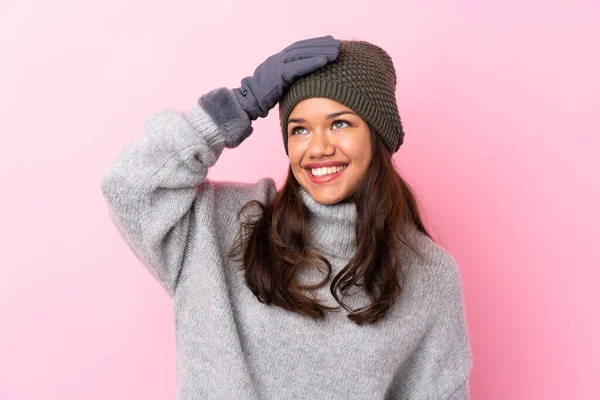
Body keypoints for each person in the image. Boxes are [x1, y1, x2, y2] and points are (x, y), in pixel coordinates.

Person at [101, 35, 473, 399]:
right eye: (300, 129)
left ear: (378, 136)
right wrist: (238, 105)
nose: (318, 148)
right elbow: (130, 186)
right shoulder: (225, 223)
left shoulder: (428, 275)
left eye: (340, 123)